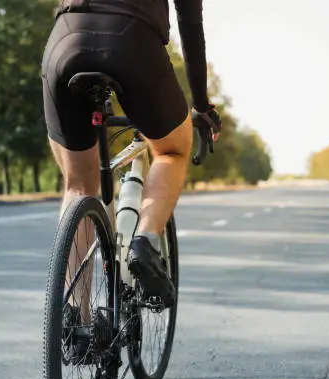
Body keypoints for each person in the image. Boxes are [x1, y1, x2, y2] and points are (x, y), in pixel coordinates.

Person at [41, 0, 222, 314]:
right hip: (132, 41)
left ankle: (73, 316)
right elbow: (191, 26)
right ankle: (146, 241)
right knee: (171, 150)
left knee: (80, 186)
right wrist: (202, 106)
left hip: (66, 41)